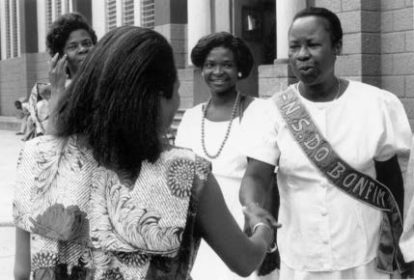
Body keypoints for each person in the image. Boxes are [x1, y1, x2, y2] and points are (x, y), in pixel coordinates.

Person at [13, 26, 279, 280]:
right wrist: (261, 226)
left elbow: (22, 271)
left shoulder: (37, 155)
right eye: (176, 93)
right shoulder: (187, 173)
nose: (177, 104)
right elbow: (244, 261)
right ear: (155, 99)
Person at [239, 7, 412, 280]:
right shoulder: (271, 112)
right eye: (294, 46)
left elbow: (390, 180)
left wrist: (401, 243)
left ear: (337, 47)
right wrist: (252, 207)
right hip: (301, 258)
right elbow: (255, 177)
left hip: (364, 256)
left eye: (313, 44)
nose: (302, 54)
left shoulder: (376, 104)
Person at [175, 32, 279, 280]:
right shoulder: (190, 118)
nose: (218, 71)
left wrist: (255, 219)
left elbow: (260, 178)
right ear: (201, 70)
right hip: (197, 228)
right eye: (210, 65)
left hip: (241, 224)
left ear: (240, 70)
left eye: (227, 64)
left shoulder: (260, 112)